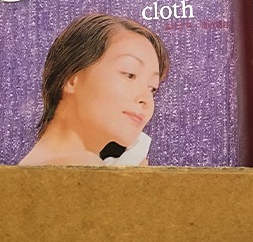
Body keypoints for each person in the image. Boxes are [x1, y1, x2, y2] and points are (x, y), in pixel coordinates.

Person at [19, 14, 169, 167]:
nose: (146, 100)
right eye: (129, 74)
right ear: (71, 79)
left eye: (152, 88)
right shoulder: (79, 164)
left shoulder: (36, 163)